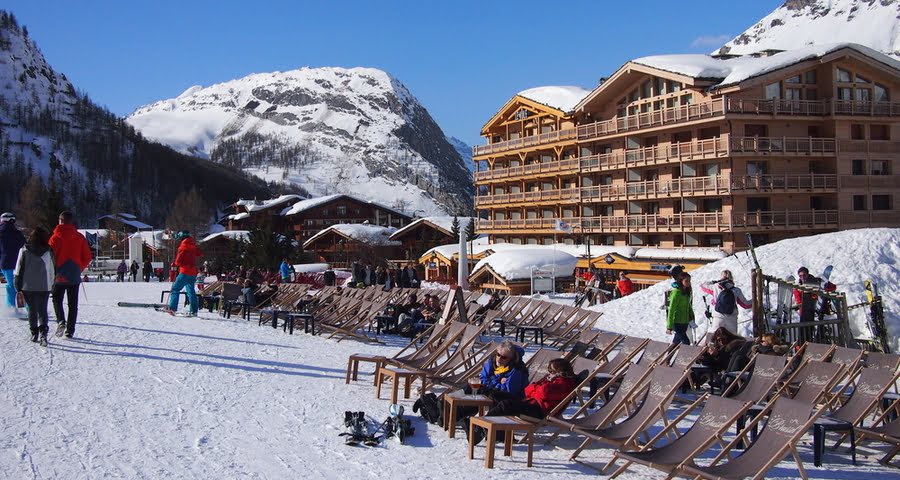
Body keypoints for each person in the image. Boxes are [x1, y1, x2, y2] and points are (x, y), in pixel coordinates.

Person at [467, 357, 577, 445]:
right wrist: (537, 389)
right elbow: (528, 389)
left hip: (539, 411)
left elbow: (544, 392)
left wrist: (539, 388)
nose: (549, 373)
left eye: (551, 371)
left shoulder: (564, 384)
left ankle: (480, 430)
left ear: (560, 372)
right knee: (495, 394)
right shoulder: (551, 380)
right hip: (530, 402)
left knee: (506, 405)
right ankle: (498, 434)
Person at [49, 210, 92, 338]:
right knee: (73, 304)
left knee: (57, 299)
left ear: (60, 221)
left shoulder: (54, 238)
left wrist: (53, 271)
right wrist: (79, 268)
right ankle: (70, 331)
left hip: (59, 275)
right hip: (74, 275)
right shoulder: (79, 237)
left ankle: (61, 320)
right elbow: (87, 256)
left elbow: (49, 258)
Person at [14, 227, 55, 343]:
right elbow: (52, 269)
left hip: (28, 285)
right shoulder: (48, 250)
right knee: (42, 310)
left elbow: (18, 268)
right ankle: (43, 332)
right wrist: (51, 284)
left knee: (32, 310)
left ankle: (34, 332)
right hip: (44, 285)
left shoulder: (24, 250)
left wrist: (17, 284)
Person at [699, 270, 751, 335]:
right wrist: (755, 300)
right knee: (732, 339)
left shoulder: (715, 287)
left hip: (718, 317)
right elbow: (745, 305)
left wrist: (715, 281)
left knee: (715, 337)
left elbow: (702, 286)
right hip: (731, 318)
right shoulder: (736, 290)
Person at [166, 230, 202, 316]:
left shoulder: (182, 247)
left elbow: (178, 262)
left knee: (175, 289)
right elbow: (199, 253)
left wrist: (176, 263)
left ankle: (172, 308)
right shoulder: (193, 245)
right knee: (191, 291)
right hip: (192, 272)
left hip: (184, 271)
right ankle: (194, 310)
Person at [0, 212, 26, 311]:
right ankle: (30, 309)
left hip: (5, 263)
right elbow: (24, 247)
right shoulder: (18, 233)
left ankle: (11, 308)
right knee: (23, 286)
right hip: (20, 263)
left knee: (11, 286)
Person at [666, 272, 694, 345]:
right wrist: (669, 326)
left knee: (676, 342)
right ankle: (687, 356)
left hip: (685, 322)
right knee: (686, 342)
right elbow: (671, 309)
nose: (688, 283)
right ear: (681, 281)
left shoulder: (686, 292)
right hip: (677, 322)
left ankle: (668, 356)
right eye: (686, 281)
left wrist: (692, 316)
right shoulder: (677, 293)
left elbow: (688, 306)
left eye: (689, 281)